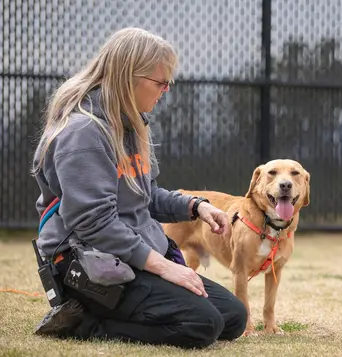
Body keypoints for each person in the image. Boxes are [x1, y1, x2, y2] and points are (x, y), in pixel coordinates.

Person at [31, 27, 247, 349]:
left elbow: (144, 194)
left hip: (129, 256)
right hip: (90, 264)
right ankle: (86, 321)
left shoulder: (132, 124)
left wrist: (196, 206)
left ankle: (128, 307)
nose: (165, 90)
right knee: (202, 324)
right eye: (161, 83)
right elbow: (94, 223)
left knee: (232, 317)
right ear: (128, 77)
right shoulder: (83, 133)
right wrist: (167, 269)